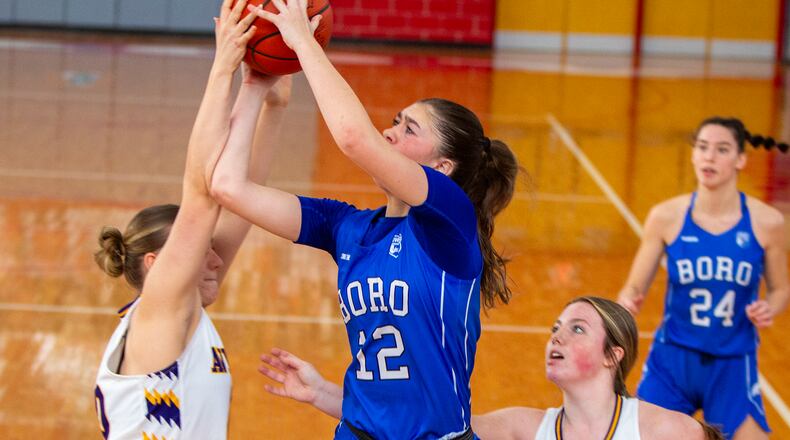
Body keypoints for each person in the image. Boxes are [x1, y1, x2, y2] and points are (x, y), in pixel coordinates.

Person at [210, 1, 520, 438]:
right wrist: (256, 83)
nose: (390, 132)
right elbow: (228, 186)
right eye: (395, 122)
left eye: (410, 129)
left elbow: (354, 138)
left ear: (443, 168)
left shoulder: (450, 222)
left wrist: (302, 40)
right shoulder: (346, 227)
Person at [92, 1, 292, 437]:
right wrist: (226, 71)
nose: (219, 261)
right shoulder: (162, 308)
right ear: (157, 263)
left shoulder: (180, 312)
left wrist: (270, 100)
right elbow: (201, 192)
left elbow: (239, 194)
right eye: (206, 254)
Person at [258, 296, 721, 439]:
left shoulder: (664, 430)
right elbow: (418, 430)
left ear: (612, 355)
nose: (556, 336)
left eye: (577, 329)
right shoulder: (524, 427)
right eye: (556, 326)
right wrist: (321, 394)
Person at [617, 117, 789, 439]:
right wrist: (628, 300)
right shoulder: (665, 217)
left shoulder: (767, 222)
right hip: (672, 361)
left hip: (733, 364)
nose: (709, 156)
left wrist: (771, 307)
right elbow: (633, 285)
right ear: (694, 155)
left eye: (721, 149)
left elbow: (781, 289)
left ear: (740, 160)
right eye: (703, 148)